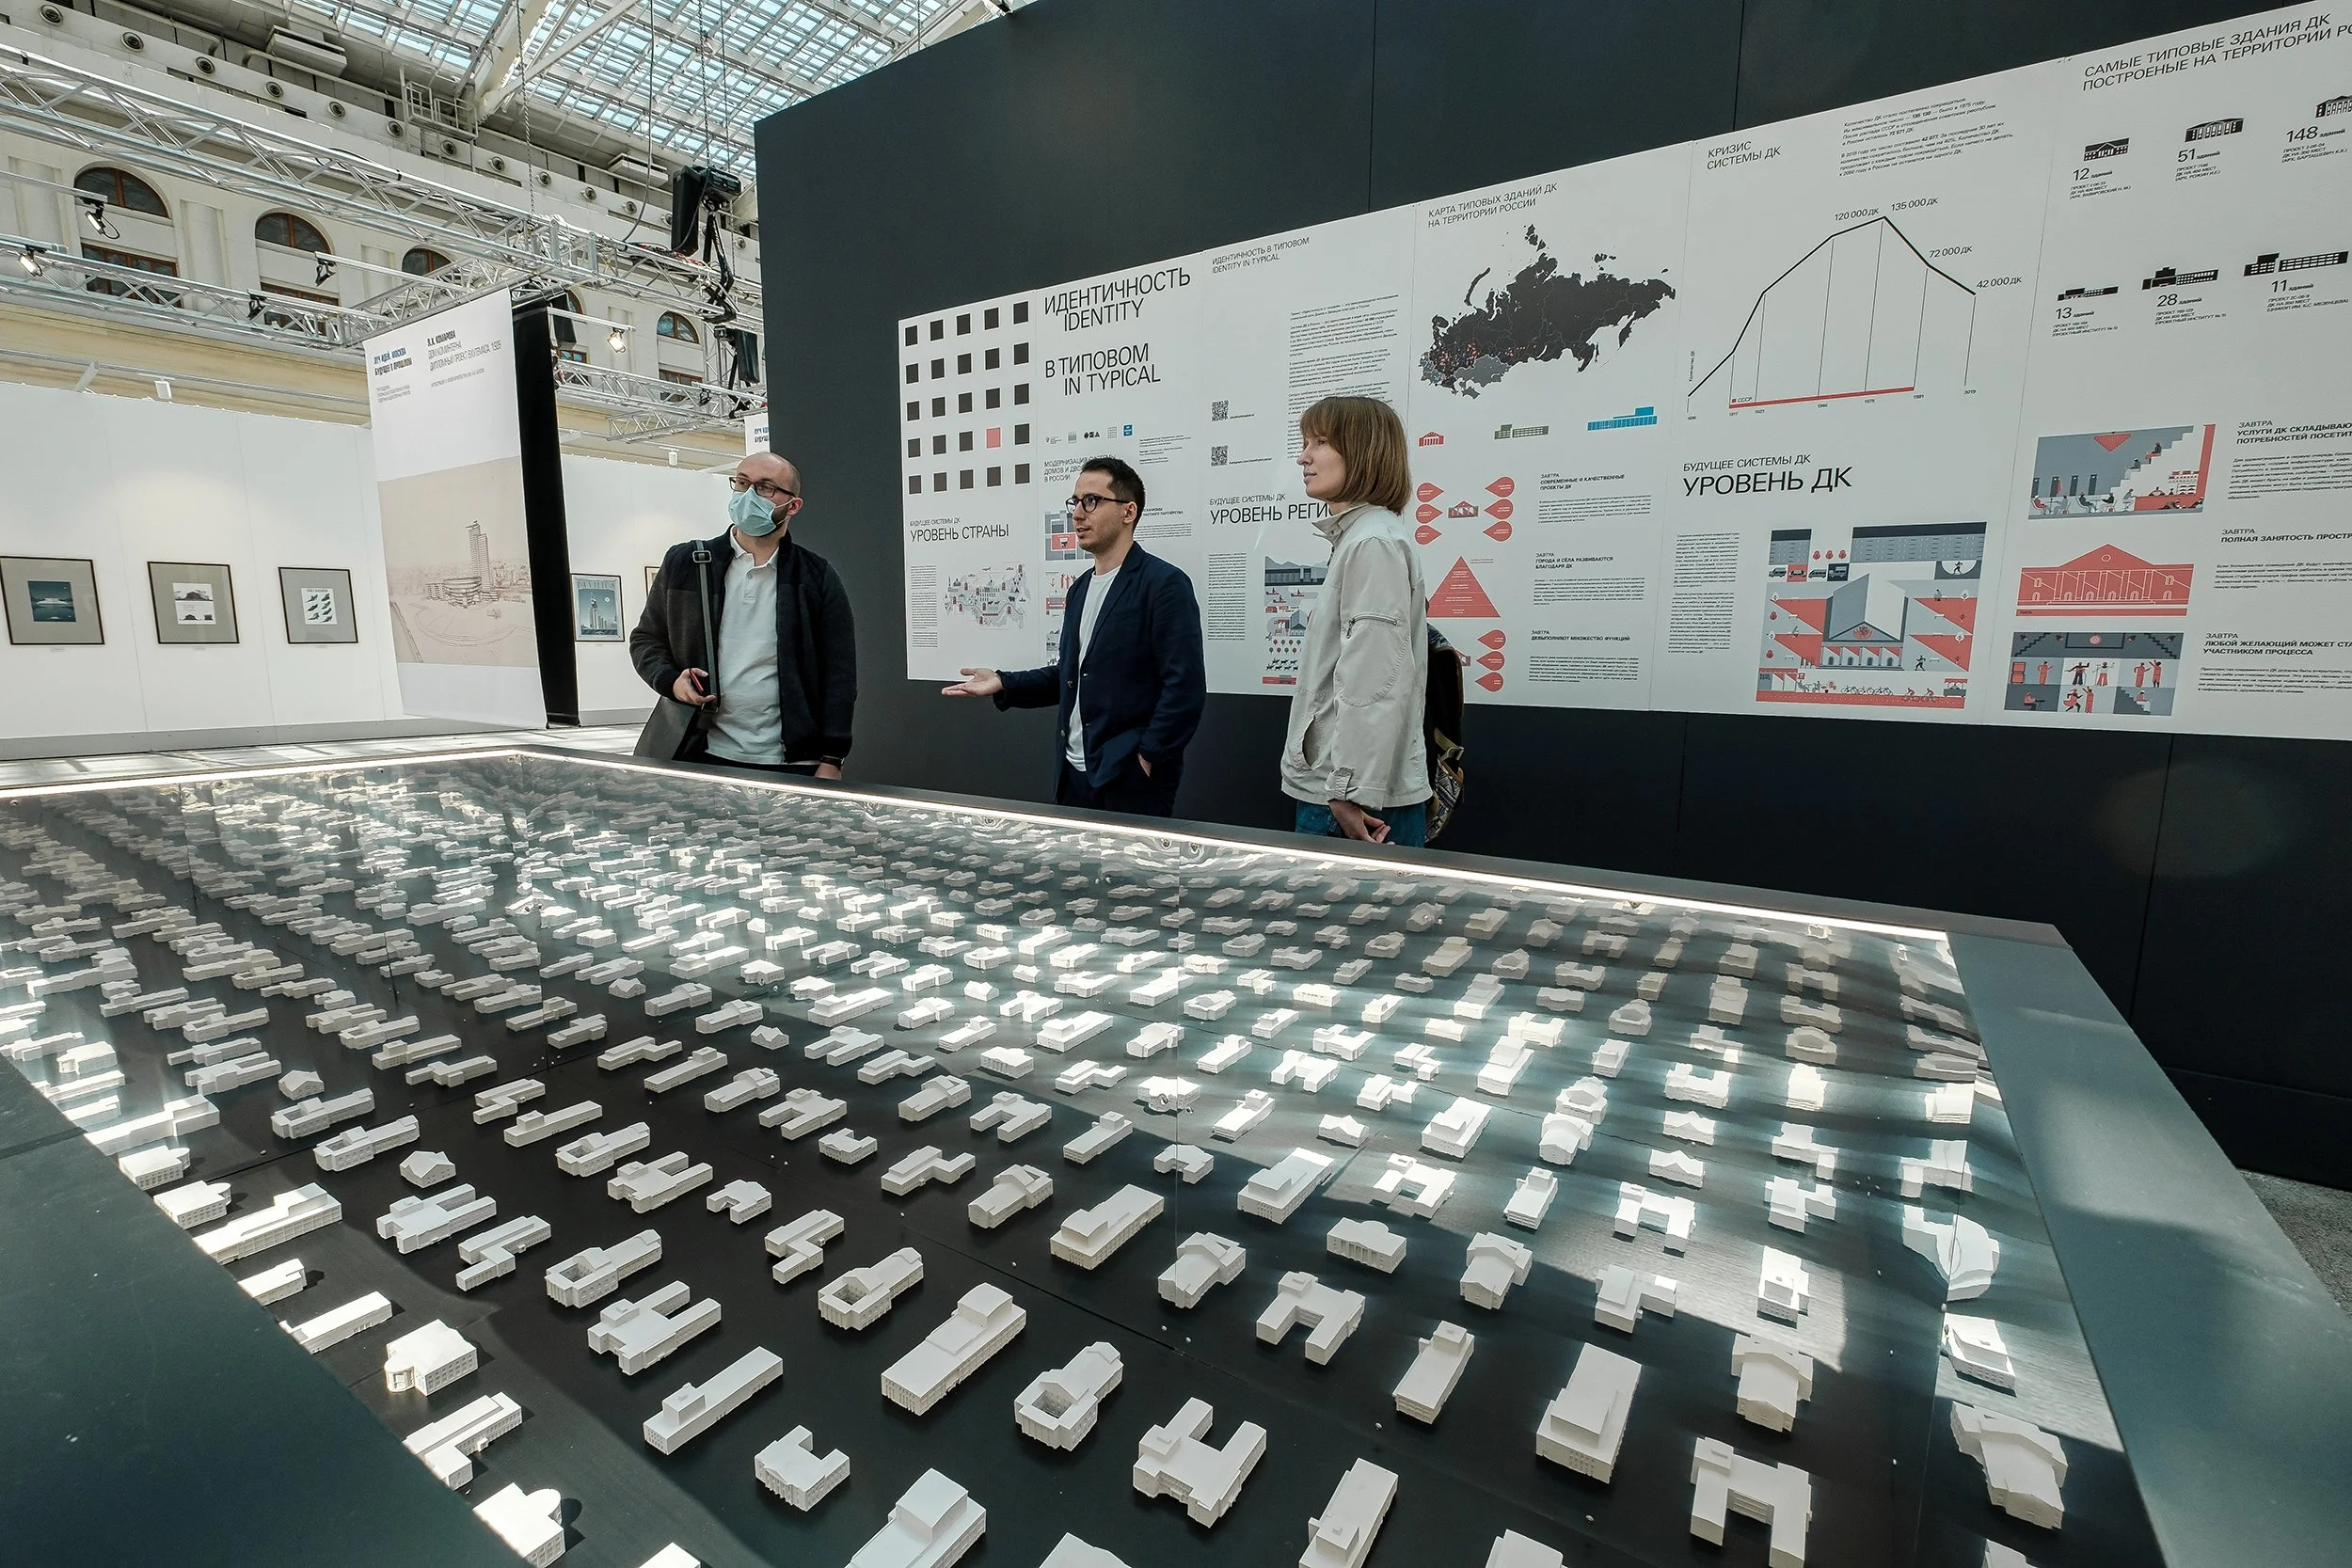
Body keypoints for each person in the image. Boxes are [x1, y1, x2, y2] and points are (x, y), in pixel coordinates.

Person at [941, 455, 1204, 816]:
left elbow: (1185, 688)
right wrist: (1003, 682)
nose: (1078, 514)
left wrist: (1147, 757)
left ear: (1128, 512)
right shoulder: (1079, 590)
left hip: (1128, 779)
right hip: (1073, 775)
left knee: (1128, 873)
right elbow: (1071, 674)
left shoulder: (1164, 585)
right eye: (1075, 502)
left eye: (1091, 501)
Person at [629, 451, 856, 778]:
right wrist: (671, 681)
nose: (749, 494)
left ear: (792, 506)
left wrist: (832, 758)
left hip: (794, 761)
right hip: (700, 751)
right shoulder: (687, 564)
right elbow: (646, 639)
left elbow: (840, 673)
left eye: (765, 487)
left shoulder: (816, 576)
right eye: (742, 482)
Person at [1282, 395, 1431, 846]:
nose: (1303, 456)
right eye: (1306, 442)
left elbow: (1373, 677)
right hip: (1345, 791)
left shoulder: (1372, 543)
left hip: (1351, 802)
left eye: (1321, 442)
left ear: (1364, 452)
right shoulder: (1365, 538)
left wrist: (1349, 790)